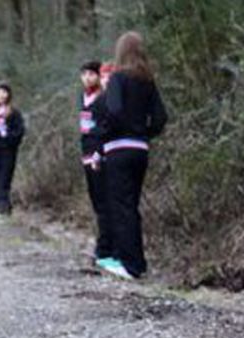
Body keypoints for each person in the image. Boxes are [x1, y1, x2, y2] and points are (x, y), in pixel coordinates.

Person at [98, 32, 168, 280]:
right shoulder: (148, 81)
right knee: (132, 205)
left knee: (121, 205)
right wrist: (143, 134)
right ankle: (137, 261)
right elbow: (161, 118)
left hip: (118, 149)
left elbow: (114, 110)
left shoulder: (118, 78)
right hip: (140, 150)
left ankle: (129, 264)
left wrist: (106, 132)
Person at [78, 60, 110, 264]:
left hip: (101, 154)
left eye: (92, 74)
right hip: (86, 153)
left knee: (104, 201)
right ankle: (102, 243)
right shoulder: (83, 98)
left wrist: (99, 152)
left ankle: (105, 247)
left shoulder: (105, 98)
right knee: (96, 200)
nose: (87, 78)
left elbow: (105, 128)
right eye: (84, 74)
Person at [0, 82, 25, 215]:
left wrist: (6, 135)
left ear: (8, 94)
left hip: (8, 150)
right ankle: (0, 205)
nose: (1, 95)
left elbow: (19, 132)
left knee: (5, 178)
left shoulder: (14, 112)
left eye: (4, 92)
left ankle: (4, 208)